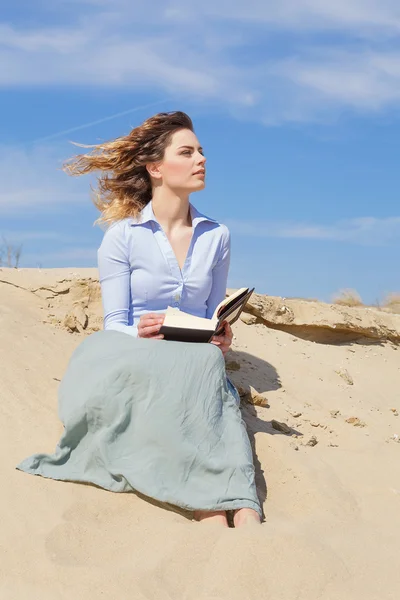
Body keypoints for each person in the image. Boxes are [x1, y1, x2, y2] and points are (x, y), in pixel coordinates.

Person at [17, 111, 262, 528]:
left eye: (201, 151)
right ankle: (210, 504)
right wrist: (142, 331)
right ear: (155, 167)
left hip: (191, 355)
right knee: (198, 366)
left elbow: (209, 313)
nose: (201, 158)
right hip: (127, 352)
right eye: (187, 152)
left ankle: (241, 504)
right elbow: (115, 322)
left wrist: (220, 333)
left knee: (206, 361)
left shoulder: (217, 235)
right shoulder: (122, 236)